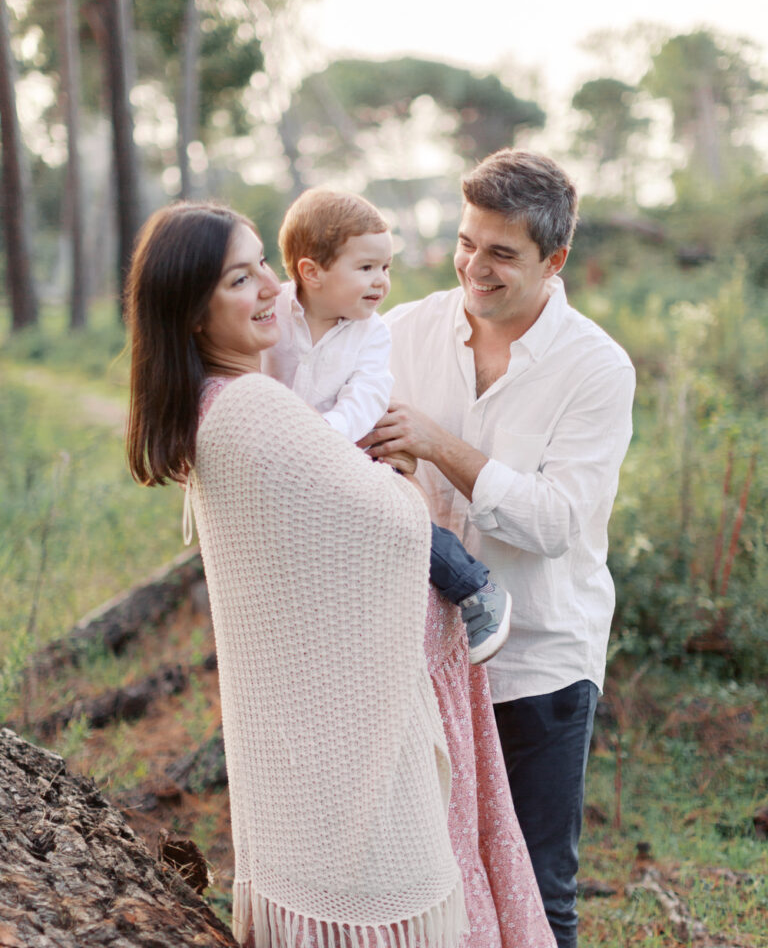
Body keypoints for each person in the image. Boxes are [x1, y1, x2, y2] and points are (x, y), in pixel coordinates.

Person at [124, 202, 468, 948]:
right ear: (191, 312)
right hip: (335, 751)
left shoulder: (220, 403)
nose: (274, 289)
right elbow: (397, 525)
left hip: (304, 734)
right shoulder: (252, 406)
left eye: (264, 269)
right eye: (240, 279)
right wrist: (402, 477)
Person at [362, 149, 636, 948]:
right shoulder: (402, 332)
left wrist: (439, 446)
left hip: (540, 660)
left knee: (539, 890)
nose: (472, 267)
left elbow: (554, 524)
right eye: (464, 242)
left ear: (554, 261)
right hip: (417, 655)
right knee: (431, 877)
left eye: (501, 253)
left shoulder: (596, 368)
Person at [261, 187, 512, 665]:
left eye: (386, 268)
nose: (381, 282)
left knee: (398, 519)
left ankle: (476, 589)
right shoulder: (273, 311)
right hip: (287, 461)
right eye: (366, 268)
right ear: (311, 272)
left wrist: (326, 435)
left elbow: (368, 396)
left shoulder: (372, 332)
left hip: (352, 451)